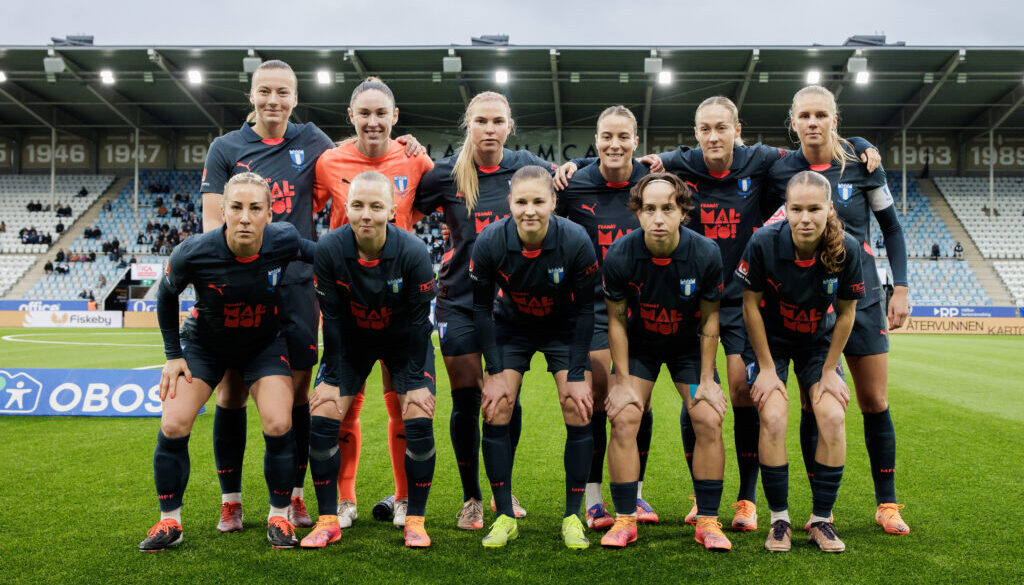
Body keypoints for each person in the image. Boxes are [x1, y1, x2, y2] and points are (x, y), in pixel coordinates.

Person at [558, 96, 879, 532]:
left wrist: (857, 143)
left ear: (737, 130)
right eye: (705, 129)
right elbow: (621, 154)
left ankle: (746, 499)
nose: (713, 136)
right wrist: (578, 163)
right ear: (695, 134)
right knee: (651, 400)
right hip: (684, 303)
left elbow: (810, 145)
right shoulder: (679, 164)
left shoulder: (762, 160)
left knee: (740, 393)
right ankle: (683, 499)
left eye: (721, 128)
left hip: (740, 297)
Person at [139, 172, 314, 552]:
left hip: (264, 345)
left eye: (255, 208)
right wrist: (173, 355)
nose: (245, 217)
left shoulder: (283, 239)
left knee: (279, 421)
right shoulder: (193, 251)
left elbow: (323, 256)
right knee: (172, 424)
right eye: (236, 207)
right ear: (223, 211)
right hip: (205, 346)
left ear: (269, 214)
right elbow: (166, 295)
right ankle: (170, 520)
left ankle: (279, 515)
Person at [200, 59, 335, 532]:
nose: (273, 100)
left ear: (295, 98)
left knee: (296, 391)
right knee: (232, 390)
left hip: (296, 287)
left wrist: (407, 144)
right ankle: (231, 500)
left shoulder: (313, 141)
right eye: (265, 91)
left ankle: (293, 496)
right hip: (243, 288)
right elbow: (212, 223)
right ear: (252, 95)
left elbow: (357, 161)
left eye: (282, 92)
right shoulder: (226, 148)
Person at [412, 91, 558, 531]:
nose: (489, 129)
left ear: (509, 125)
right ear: (468, 124)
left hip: (509, 304)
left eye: (497, 121)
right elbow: (406, 205)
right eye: (481, 121)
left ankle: (502, 489)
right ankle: (472, 498)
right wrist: (407, 151)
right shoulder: (445, 174)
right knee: (466, 399)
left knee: (507, 399)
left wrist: (572, 168)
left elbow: (570, 182)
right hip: (458, 300)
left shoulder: (527, 166)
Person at [770, 85, 910, 536]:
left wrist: (901, 287)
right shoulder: (781, 169)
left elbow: (891, 228)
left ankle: (887, 504)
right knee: (814, 404)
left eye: (821, 114)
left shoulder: (864, 165)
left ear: (835, 119)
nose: (813, 122)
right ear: (793, 122)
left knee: (874, 401)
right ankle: (820, 511)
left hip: (863, 298)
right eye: (805, 115)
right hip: (809, 304)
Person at [312, 77, 434, 530]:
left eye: (381, 113)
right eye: (364, 113)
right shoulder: (329, 161)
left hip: (399, 296)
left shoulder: (415, 158)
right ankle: (344, 501)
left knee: (403, 404)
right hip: (348, 296)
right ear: (351, 116)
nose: (373, 121)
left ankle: (404, 500)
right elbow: (299, 204)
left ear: (395, 116)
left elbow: (439, 198)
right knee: (345, 404)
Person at [471, 166, 598, 549]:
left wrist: (576, 372)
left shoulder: (575, 239)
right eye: (522, 201)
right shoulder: (490, 240)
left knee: (578, 406)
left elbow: (587, 311)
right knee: (496, 406)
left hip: (563, 328)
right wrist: (494, 371)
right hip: (512, 328)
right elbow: (480, 310)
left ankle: (573, 516)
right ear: (509, 202)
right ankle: (504, 516)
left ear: (553, 202)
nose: (530, 210)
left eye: (539, 201)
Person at [601, 173, 730, 551]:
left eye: (667, 209)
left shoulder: (705, 253)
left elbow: (710, 319)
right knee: (625, 417)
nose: (658, 218)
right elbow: (616, 320)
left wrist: (707, 379)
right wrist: (622, 382)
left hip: (687, 347)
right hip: (640, 346)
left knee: (708, 416)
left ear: (683, 212)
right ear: (638, 213)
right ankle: (625, 519)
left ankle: (707, 521)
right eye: (649, 209)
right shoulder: (620, 254)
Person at [737, 170, 864, 552]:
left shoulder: (847, 249)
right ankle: (779, 521)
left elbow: (847, 312)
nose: (805, 218)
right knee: (774, 416)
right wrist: (766, 368)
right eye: (796, 209)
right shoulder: (763, 242)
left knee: (833, 416)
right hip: (770, 343)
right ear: (786, 209)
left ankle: (822, 520)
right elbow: (749, 306)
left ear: (829, 209)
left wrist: (829, 371)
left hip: (818, 344)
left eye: (814, 209)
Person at [556, 106, 657, 529]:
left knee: (639, 404)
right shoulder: (573, 185)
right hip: (594, 308)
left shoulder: (652, 183)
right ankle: (594, 498)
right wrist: (574, 164)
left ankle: (635, 492)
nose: (614, 144)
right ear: (596, 140)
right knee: (597, 403)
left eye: (623, 136)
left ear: (636, 141)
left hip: (643, 308)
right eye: (606, 137)